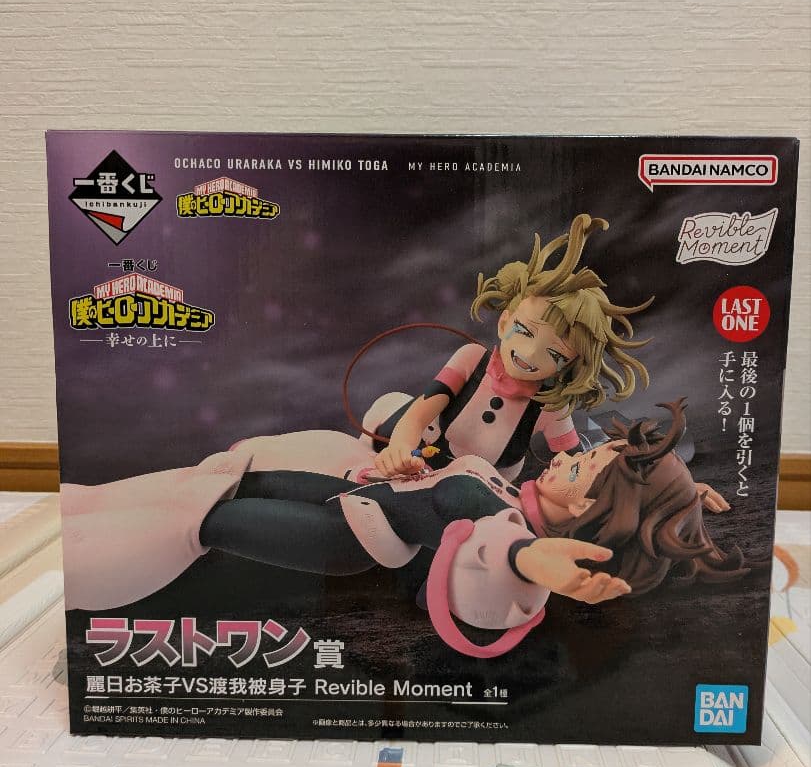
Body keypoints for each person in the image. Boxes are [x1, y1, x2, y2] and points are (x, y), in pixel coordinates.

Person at [61, 401, 741, 658]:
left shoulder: (500, 519)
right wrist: (682, 495)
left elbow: (479, 537)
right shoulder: (505, 483)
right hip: (347, 493)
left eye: (584, 466)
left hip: (343, 539)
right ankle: (87, 513)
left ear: (591, 509)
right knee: (219, 483)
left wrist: (530, 560)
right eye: (584, 451)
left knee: (205, 520)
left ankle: (89, 552)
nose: (569, 456)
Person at [369, 214, 653, 482]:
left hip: (477, 487)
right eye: (524, 331)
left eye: (555, 353)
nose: (529, 354)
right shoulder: (471, 359)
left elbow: (574, 465)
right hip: (415, 454)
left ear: (569, 363)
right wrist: (400, 449)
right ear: (505, 322)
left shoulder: (551, 406)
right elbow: (417, 415)